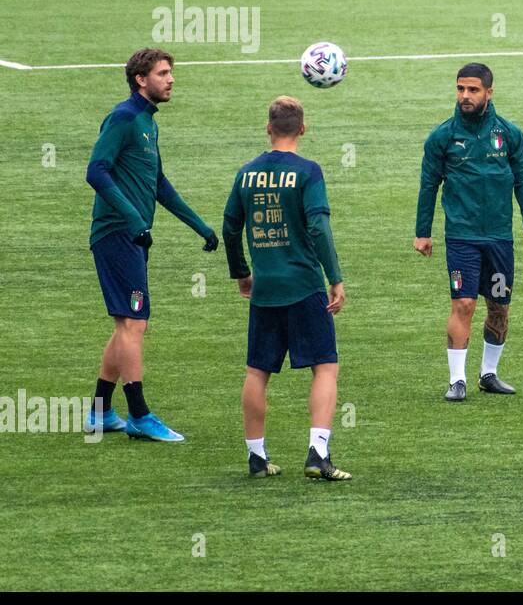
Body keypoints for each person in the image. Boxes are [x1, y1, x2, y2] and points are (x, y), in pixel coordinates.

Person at [84, 48, 219, 443]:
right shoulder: (124, 118)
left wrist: (201, 227)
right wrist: (134, 222)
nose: (171, 79)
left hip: (132, 236)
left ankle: (100, 412)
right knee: (134, 323)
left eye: (170, 72)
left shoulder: (148, 123)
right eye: (163, 73)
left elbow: (158, 185)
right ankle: (140, 415)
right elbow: (96, 171)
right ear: (141, 80)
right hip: (116, 235)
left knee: (128, 322)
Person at [222, 97, 351, 480]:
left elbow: (230, 227)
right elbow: (318, 226)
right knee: (325, 366)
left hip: (264, 288)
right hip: (303, 284)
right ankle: (317, 453)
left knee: (257, 371)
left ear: (268, 128)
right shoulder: (308, 172)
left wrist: (242, 273)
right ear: (303, 129)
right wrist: (335, 277)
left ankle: (257, 457)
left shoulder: (247, 174)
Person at [414, 63, 523, 401]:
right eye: (460, 89)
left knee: (499, 305)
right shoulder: (442, 137)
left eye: (472, 90)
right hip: (461, 238)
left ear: (489, 92)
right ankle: (457, 380)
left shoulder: (509, 135)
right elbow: (429, 185)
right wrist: (422, 231)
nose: (465, 96)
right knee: (464, 303)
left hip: (499, 238)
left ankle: (489, 374)